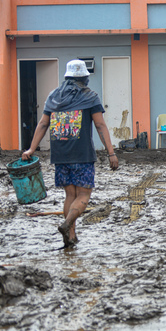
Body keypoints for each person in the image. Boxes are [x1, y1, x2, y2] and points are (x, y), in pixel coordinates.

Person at [22, 59, 119, 248]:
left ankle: (71, 236)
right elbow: (100, 125)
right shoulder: (90, 96)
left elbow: (43, 124)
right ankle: (66, 225)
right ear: (84, 78)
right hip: (82, 155)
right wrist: (111, 153)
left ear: (66, 76)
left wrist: (31, 149)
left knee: (70, 195)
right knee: (83, 195)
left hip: (60, 156)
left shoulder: (54, 96)